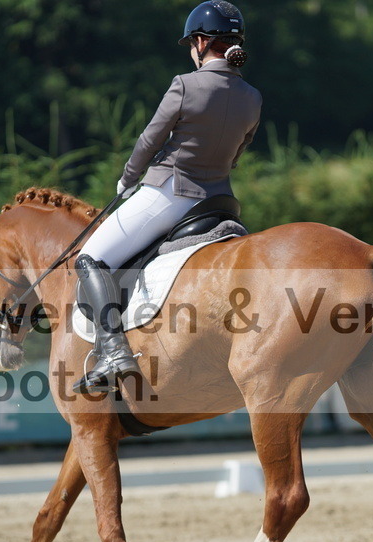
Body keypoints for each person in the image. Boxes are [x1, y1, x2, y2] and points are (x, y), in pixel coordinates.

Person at [73, 0, 262, 394]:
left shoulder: (185, 85)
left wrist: (127, 180)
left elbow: (150, 140)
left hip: (170, 193)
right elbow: (237, 153)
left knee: (90, 257)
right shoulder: (252, 97)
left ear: (199, 41)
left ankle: (112, 350)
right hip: (217, 202)